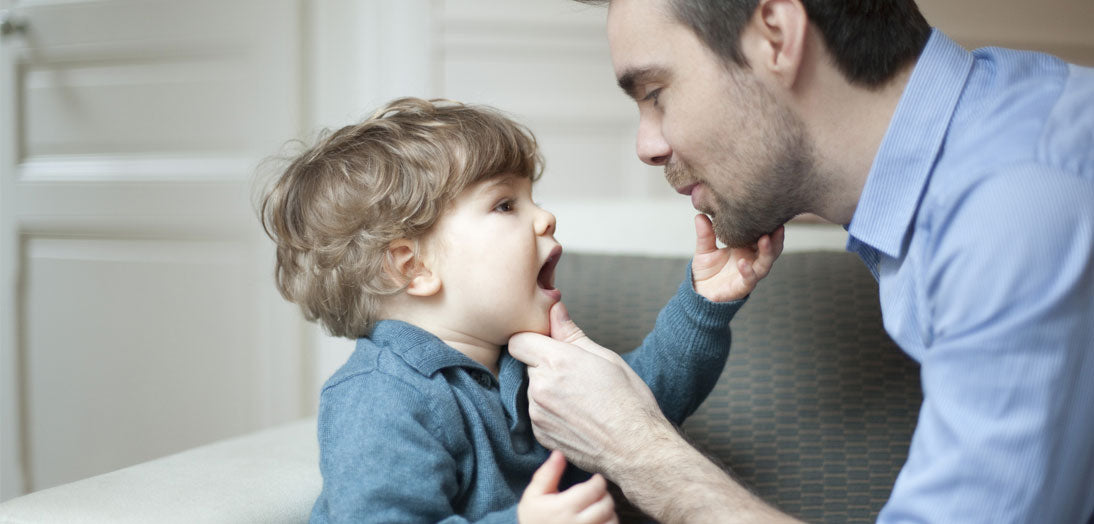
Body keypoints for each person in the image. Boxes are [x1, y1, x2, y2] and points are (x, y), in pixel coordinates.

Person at [508, 0, 1094, 522]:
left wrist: (634, 450)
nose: (647, 145)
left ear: (776, 35)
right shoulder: (981, 145)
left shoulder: (1014, 209)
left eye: (656, 94)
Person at [258, 97, 783, 523]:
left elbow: (638, 407)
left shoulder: (528, 364)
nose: (546, 217)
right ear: (412, 266)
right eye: (505, 205)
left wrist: (704, 303)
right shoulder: (380, 396)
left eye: (532, 198)